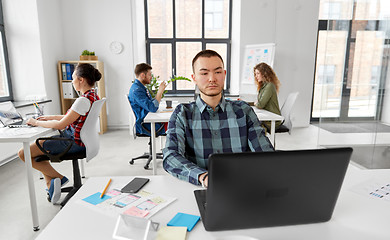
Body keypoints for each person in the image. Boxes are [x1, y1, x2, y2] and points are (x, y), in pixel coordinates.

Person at [163, 50, 274, 188]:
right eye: (204, 73)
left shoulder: (243, 111)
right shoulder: (182, 113)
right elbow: (170, 156)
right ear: (194, 77)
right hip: (199, 188)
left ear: (224, 74)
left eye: (217, 72)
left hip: (241, 186)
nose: (212, 78)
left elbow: (264, 152)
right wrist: (203, 176)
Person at [18, 63, 101, 204]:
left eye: (73, 78)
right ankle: (51, 184)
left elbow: (61, 125)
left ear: (81, 80)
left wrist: (36, 122)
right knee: (37, 151)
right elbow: (71, 116)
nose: (72, 82)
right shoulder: (93, 96)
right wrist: (50, 117)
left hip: (72, 142)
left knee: (23, 153)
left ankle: (57, 179)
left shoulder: (82, 100)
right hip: (80, 140)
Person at [128, 63, 167, 136]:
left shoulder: (141, 87)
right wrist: (160, 92)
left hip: (148, 119)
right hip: (145, 125)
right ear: (143, 75)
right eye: (150, 75)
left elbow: (151, 103)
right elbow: (153, 108)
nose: (151, 77)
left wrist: (160, 92)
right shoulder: (137, 90)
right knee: (175, 125)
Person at [254, 62, 282, 131]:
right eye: (255, 74)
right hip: (268, 118)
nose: (256, 76)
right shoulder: (264, 86)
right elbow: (259, 102)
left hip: (273, 121)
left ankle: (262, 141)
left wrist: (256, 103)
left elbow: (260, 104)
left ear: (264, 74)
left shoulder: (269, 86)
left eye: (258, 73)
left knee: (251, 125)